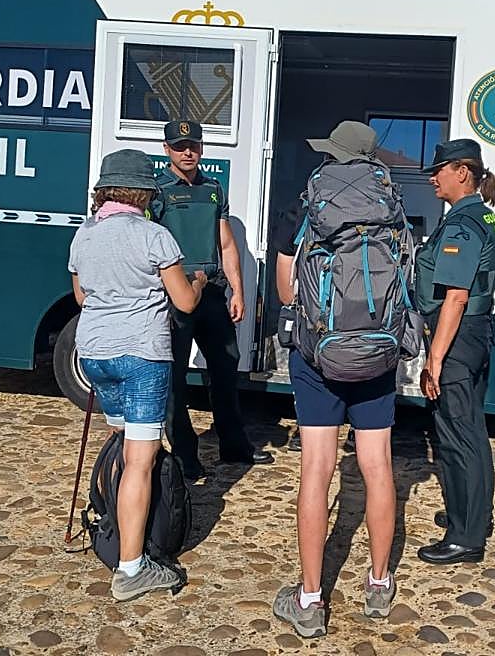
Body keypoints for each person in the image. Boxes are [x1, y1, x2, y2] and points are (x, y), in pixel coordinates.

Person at [271, 121, 399, 638]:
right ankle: (378, 584)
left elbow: (285, 292)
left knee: (317, 470)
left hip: (318, 356)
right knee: (378, 467)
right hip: (376, 353)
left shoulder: (305, 206)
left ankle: (309, 599)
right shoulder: (389, 211)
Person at [68, 148, 208, 600]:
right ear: (144, 193)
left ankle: (117, 527)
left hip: (93, 353)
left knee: (123, 445)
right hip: (142, 355)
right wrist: (201, 282)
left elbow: (82, 298)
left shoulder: (83, 236)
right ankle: (131, 569)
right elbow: (184, 301)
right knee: (141, 460)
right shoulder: (155, 236)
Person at [152, 120, 273, 476]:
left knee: (225, 369)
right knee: (173, 377)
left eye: (193, 145)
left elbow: (226, 242)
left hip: (212, 290)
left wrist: (237, 290)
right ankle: (186, 458)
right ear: (167, 150)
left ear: (202, 148)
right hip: (174, 292)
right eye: (179, 146)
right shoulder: (157, 192)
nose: (187, 152)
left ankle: (234, 447)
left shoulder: (214, 188)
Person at [414, 139, 495, 565]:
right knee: (472, 429)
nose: (433, 178)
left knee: (454, 435)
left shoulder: (462, 224)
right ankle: (471, 514)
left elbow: (455, 297)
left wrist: (434, 359)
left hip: (457, 334)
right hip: (477, 333)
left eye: (439, 170)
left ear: (462, 172)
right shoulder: (486, 217)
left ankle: (465, 537)